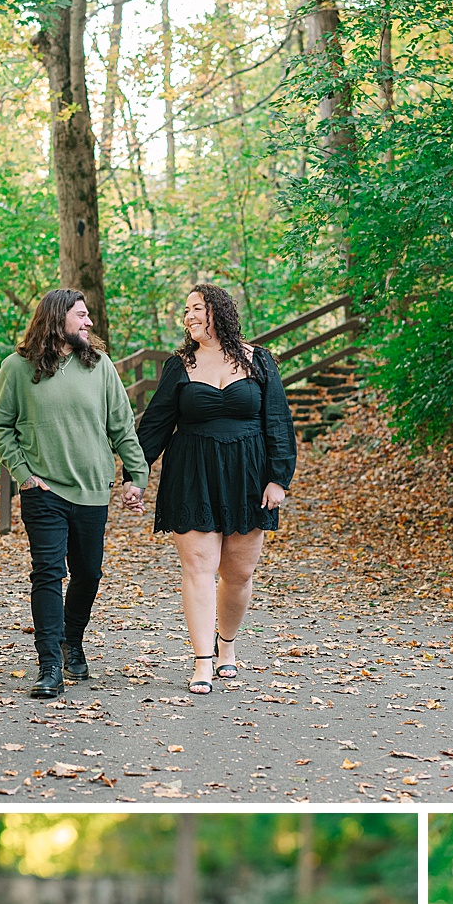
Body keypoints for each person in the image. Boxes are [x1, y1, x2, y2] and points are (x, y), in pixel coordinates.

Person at [135, 283, 297, 694]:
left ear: (218, 312)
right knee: (199, 570)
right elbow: (155, 424)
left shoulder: (258, 360)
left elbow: (277, 420)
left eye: (196, 308)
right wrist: (136, 475)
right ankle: (202, 661)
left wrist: (279, 478)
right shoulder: (179, 366)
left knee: (239, 574)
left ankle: (227, 647)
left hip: (248, 476)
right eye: (185, 310)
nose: (188, 316)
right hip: (192, 474)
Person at [0, 289, 149, 700]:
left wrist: (137, 475)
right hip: (43, 489)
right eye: (81, 315)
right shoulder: (18, 369)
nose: (89, 322)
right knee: (47, 572)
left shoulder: (99, 366)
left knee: (89, 574)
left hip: (93, 489)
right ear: (57, 318)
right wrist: (23, 474)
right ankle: (49, 666)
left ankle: (71, 640)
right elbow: (0, 427)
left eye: (89, 316)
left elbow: (122, 426)